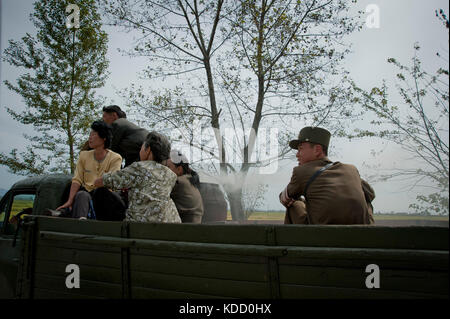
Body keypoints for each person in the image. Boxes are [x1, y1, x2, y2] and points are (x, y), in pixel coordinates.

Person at [279, 126, 375, 225]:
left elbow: (284, 199)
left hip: (322, 235)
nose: (297, 155)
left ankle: (292, 239)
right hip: (363, 233)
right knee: (365, 198)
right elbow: (371, 194)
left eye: (300, 149)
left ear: (317, 150)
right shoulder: (351, 169)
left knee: (293, 203)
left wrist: (305, 203)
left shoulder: (301, 171)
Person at [94, 131, 181, 223]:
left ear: (148, 150)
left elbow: (103, 181)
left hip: (140, 223)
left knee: (101, 192)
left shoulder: (139, 167)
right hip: (169, 221)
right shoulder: (170, 174)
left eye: (142, 147)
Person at [56, 121, 126, 220]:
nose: (90, 137)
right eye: (90, 134)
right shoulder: (84, 155)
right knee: (82, 195)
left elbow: (111, 182)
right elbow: (77, 179)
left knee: (101, 192)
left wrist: (100, 183)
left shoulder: (115, 158)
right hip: (87, 193)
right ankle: (81, 222)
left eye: (93, 135)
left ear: (103, 138)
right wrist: (70, 200)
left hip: (105, 196)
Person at [167, 149, 204, 223]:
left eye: (168, 167)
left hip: (184, 231)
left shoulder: (179, 182)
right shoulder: (188, 180)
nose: (165, 170)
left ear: (179, 170)